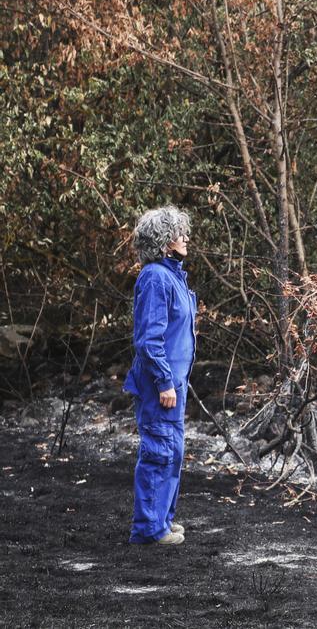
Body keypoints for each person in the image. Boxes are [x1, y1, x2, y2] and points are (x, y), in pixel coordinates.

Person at [123, 206, 196, 545]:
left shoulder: (173, 276)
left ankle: (162, 520)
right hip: (160, 387)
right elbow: (148, 339)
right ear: (164, 242)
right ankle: (149, 530)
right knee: (159, 452)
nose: (185, 238)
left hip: (174, 385)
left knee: (173, 452)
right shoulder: (155, 277)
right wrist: (165, 381)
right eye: (178, 233)